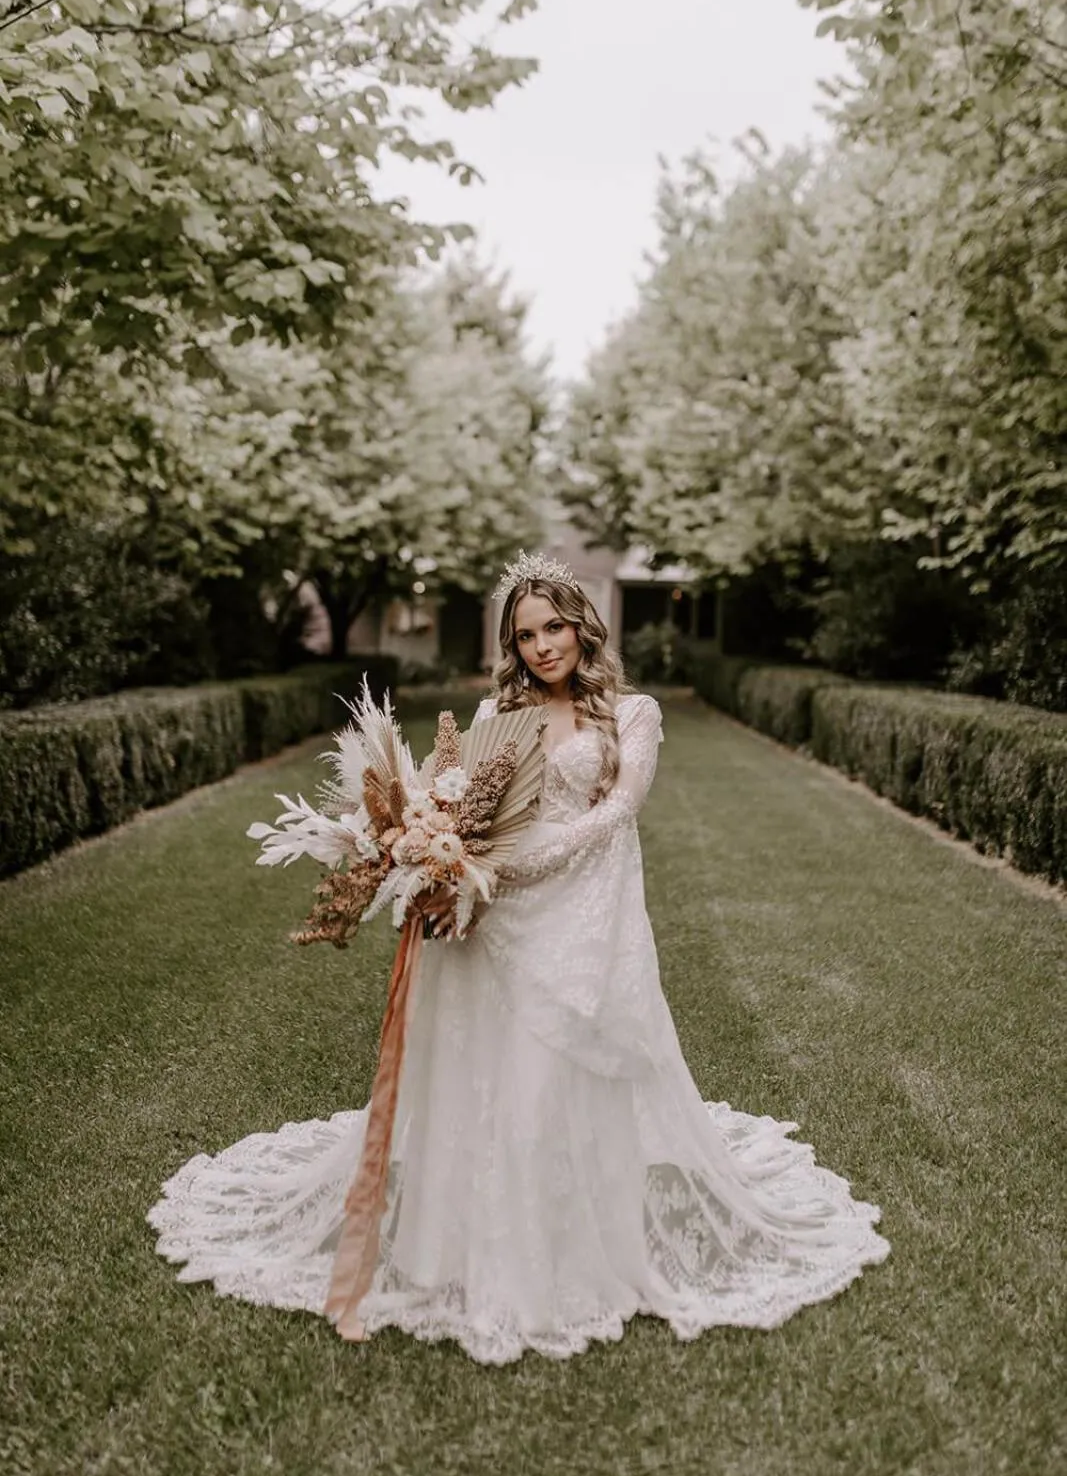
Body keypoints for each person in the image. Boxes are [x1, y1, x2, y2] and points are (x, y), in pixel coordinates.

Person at [148, 551, 889, 1364]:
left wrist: (509, 863)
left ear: (582, 626)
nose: (541, 647)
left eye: (553, 628)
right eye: (525, 634)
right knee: (490, 1069)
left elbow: (618, 810)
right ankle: (464, 1235)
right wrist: (434, 850)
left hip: (583, 908)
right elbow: (463, 799)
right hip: (492, 911)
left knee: (560, 1063)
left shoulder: (631, 713)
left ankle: (571, 1237)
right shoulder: (498, 715)